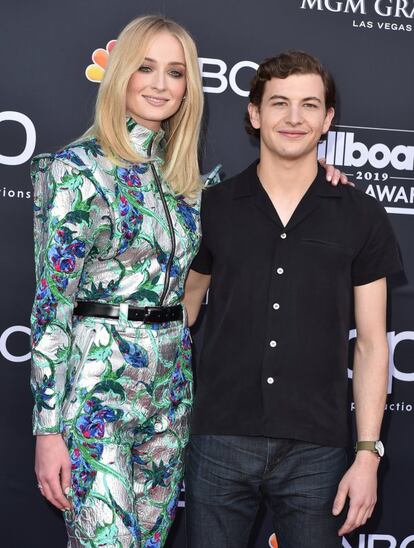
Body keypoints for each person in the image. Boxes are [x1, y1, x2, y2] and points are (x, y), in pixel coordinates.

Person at [184, 51, 403, 548]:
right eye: (279, 103)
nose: (294, 117)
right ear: (255, 113)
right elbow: (182, 313)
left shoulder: (361, 215)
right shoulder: (210, 209)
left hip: (318, 452)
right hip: (218, 439)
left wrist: (367, 454)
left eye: (309, 105)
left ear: (327, 120)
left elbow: (372, 344)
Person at [30, 15, 204, 548]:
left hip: (171, 395)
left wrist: (325, 175)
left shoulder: (187, 183)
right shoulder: (77, 169)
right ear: (120, 73)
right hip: (95, 393)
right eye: (146, 67)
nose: (159, 84)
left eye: (175, 72)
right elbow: (51, 309)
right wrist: (47, 430)